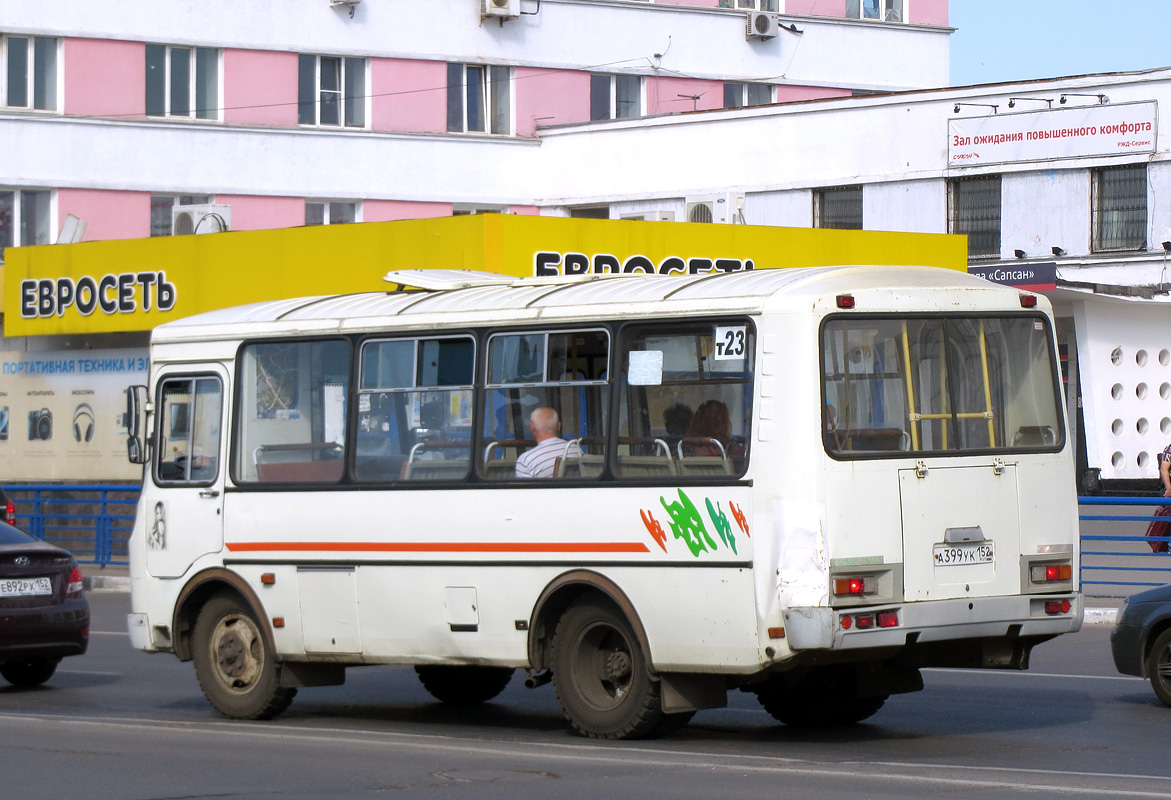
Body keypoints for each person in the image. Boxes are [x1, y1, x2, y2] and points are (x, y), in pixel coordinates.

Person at [515, 406, 579, 478]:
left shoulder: (526, 460)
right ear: (559, 426)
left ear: (532, 427)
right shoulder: (576, 449)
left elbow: (524, 489)